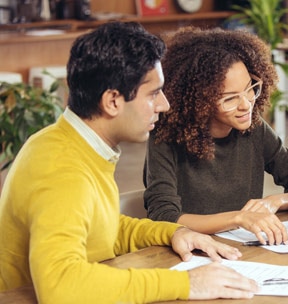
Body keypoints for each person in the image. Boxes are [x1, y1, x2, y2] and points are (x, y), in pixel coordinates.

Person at [0, 22, 259, 303]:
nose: (164, 105)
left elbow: (102, 229)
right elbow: (61, 287)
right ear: (112, 101)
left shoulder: (74, 144)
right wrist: (186, 283)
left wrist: (174, 232)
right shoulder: (61, 169)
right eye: (152, 94)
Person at [143, 26, 288, 245]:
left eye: (250, 88)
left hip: (242, 249)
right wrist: (239, 218)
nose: (246, 104)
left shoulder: (254, 129)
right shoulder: (166, 136)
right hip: (190, 252)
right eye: (230, 99)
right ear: (199, 103)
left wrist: (275, 201)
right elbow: (163, 217)